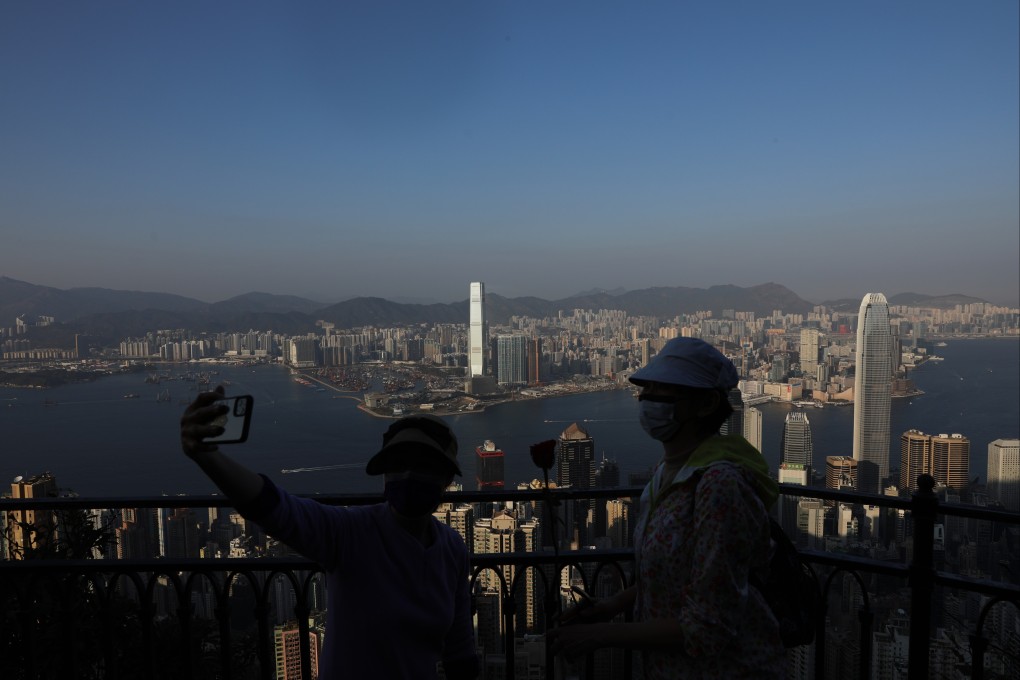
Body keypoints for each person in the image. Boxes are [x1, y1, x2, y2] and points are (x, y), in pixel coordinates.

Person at [180, 386, 479, 679]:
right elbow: (274, 509)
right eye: (398, 465)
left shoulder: (451, 549)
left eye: (423, 465)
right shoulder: (351, 533)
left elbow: (460, 651)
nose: (409, 474)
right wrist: (208, 456)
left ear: (447, 479)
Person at [548, 338, 784, 678]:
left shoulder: (719, 485)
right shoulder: (669, 472)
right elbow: (678, 576)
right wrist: (611, 606)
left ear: (705, 404)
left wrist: (599, 635)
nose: (646, 398)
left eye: (662, 389)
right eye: (646, 388)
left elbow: (707, 627)